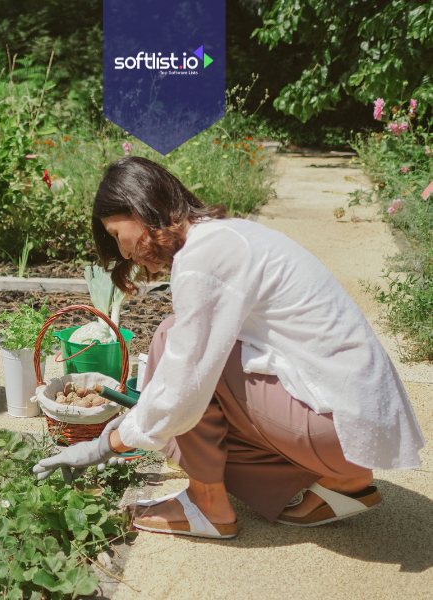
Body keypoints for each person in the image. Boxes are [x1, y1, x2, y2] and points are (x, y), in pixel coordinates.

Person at [33, 156, 425, 538]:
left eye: (119, 235)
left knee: (176, 345)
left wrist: (102, 446)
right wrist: (139, 420)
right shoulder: (225, 235)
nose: (122, 252)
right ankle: (344, 480)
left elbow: (185, 384)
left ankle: (208, 505)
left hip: (340, 428)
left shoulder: (205, 256)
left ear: (140, 207)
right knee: (184, 354)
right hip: (356, 421)